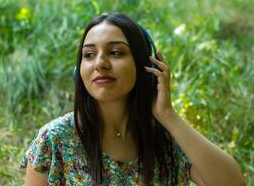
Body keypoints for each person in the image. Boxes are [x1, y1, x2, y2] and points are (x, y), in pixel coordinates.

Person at [19, 13, 245, 185]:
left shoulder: (166, 140)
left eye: (116, 52)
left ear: (145, 67)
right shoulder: (55, 139)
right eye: (89, 55)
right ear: (79, 70)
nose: (100, 63)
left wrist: (168, 115)